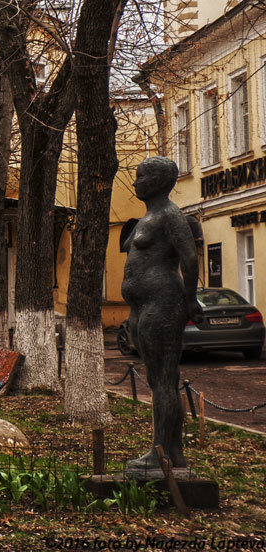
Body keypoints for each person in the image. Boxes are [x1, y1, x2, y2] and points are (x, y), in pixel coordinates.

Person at [121, 156, 202, 475]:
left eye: (140, 177)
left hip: (163, 302)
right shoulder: (148, 216)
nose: (135, 182)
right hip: (143, 306)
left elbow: (190, 257)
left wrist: (191, 298)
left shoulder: (170, 214)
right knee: (159, 382)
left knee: (165, 381)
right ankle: (171, 451)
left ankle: (162, 453)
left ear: (157, 181)